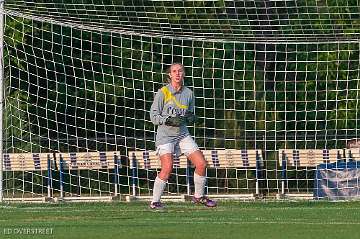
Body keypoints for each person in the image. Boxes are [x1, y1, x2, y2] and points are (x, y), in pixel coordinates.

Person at [149, 63, 216, 209]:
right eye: (174, 71)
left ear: (184, 73)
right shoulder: (163, 92)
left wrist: (191, 117)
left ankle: (198, 197)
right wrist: (168, 120)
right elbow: (153, 117)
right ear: (170, 75)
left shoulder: (189, 93)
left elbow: (189, 114)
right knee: (167, 168)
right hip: (165, 136)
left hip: (183, 134)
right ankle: (155, 202)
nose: (177, 73)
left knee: (201, 164)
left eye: (180, 71)